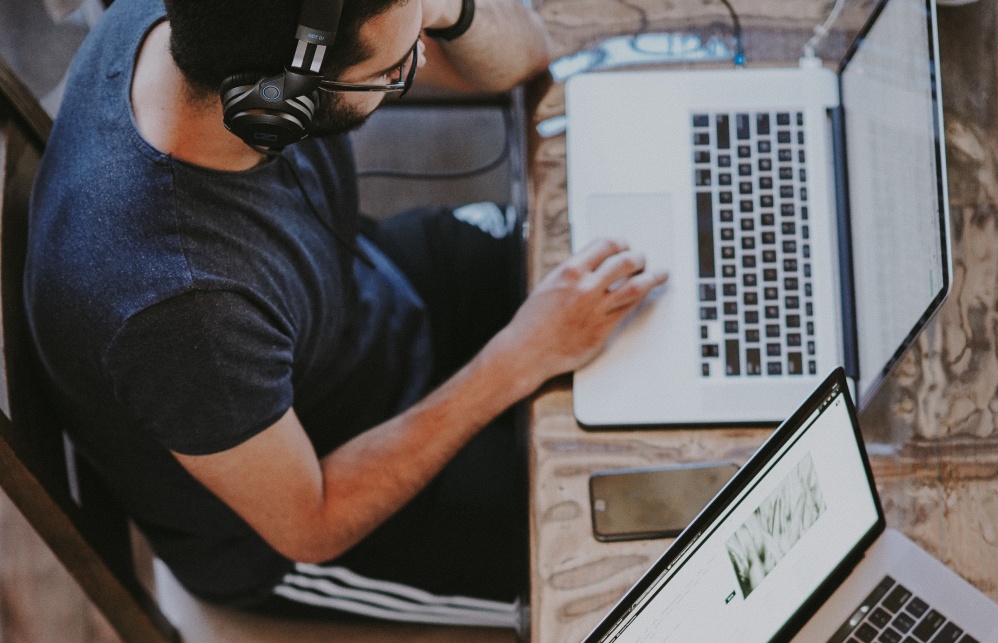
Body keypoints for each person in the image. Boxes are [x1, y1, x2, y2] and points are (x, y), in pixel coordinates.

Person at [25, 0, 667, 627]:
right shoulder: (182, 308)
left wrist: (436, 10)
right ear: (278, 105)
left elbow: (526, 53)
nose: (415, 60)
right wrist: (519, 358)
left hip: (355, 304)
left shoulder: (197, 26)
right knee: (646, 553)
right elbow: (314, 523)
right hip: (315, 501)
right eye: (393, 70)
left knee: (648, 283)